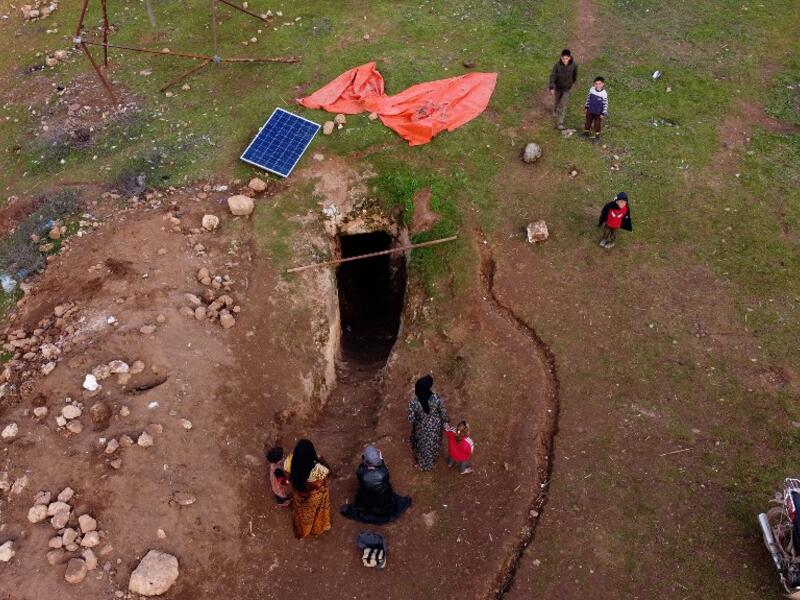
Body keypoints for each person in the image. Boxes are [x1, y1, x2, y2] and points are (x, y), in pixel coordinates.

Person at [340, 445, 412, 525]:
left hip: (368, 499)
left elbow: (362, 468)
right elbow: (382, 467)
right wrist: (381, 459)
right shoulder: (384, 472)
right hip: (384, 501)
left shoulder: (361, 473)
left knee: (363, 499)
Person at [286, 439, 331, 539]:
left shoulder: (289, 460)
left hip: (298, 493)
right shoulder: (318, 469)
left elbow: (287, 471)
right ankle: (315, 529)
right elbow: (327, 473)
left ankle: (304, 528)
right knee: (317, 511)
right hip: (313, 497)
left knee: (303, 513)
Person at [407, 374, 449, 471]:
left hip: (421, 429)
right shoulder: (436, 398)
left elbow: (411, 419)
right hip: (436, 427)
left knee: (423, 446)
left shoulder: (414, 402)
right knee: (434, 443)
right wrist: (445, 421)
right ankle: (433, 459)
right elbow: (443, 412)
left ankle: (425, 465)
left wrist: (418, 418)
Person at [548, 49, 578, 130]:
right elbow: (553, 76)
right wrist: (552, 87)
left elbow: (575, 76)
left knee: (562, 105)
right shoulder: (557, 65)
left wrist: (571, 83)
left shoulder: (574, 65)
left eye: (566, 58)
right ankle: (555, 110)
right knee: (557, 100)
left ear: (569, 58)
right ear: (561, 58)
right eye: (563, 58)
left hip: (567, 89)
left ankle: (560, 123)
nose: (565, 60)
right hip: (558, 87)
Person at [583, 76, 608, 143]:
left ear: (603, 84)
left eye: (599, 84)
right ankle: (586, 133)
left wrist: (603, 113)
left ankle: (597, 136)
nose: (598, 85)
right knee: (588, 122)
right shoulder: (592, 90)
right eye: (596, 84)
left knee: (597, 124)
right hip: (590, 110)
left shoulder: (604, 93)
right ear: (594, 84)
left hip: (598, 113)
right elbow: (588, 99)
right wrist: (586, 107)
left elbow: (605, 104)